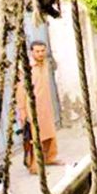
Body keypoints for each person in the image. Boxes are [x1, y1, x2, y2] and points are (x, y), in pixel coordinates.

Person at [16, 40, 62, 174]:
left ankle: (49, 158)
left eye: (42, 51)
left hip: (45, 104)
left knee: (49, 132)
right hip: (32, 108)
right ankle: (34, 166)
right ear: (32, 52)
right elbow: (20, 90)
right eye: (37, 51)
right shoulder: (26, 68)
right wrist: (22, 110)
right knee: (35, 137)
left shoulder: (45, 64)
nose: (40, 54)